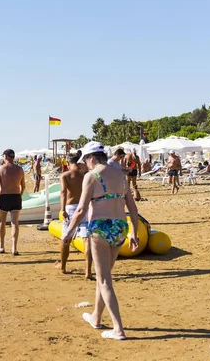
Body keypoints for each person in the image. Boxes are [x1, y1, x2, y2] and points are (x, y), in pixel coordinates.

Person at [62, 142, 139, 341]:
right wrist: (134, 233)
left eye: (85, 160)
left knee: (104, 280)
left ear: (92, 158)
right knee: (102, 275)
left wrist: (69, 232)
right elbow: (133, 207)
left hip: (101, 227)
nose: (85, 165)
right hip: (120, 226)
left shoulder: (92, 176)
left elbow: (80, 210)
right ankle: (96, 317)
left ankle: (118, 329)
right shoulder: (121, 176)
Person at [55, 153, 92, 278]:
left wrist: (62, 209)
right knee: (87, 239)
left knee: (66, 238)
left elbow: (63, 192)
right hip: (85, 206)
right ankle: (88, 271)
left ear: (68, 162)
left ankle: (63, 266)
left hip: (71, 208)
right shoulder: (86, 175)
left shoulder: (66, 175)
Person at [0, 149, 26, 255]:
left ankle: (2, 246)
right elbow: (23, 186)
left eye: (3, 156)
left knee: (1, 222)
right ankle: (14, 248)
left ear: (6, 157)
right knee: (14, 223)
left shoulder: (0, 169)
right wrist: (19, 195)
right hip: (16, 196)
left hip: (4, 196)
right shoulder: (20, 169)